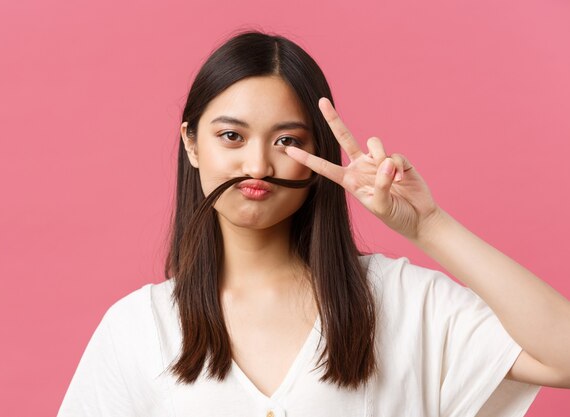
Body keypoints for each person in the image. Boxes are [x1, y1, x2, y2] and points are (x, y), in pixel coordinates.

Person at [57, 29, 569, 416]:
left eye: (287, 142)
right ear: (192, 143)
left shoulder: (404, 302)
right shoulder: (138, 329)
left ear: (318, 153)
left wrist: (430, 227)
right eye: (231, 137)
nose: (257, 166)